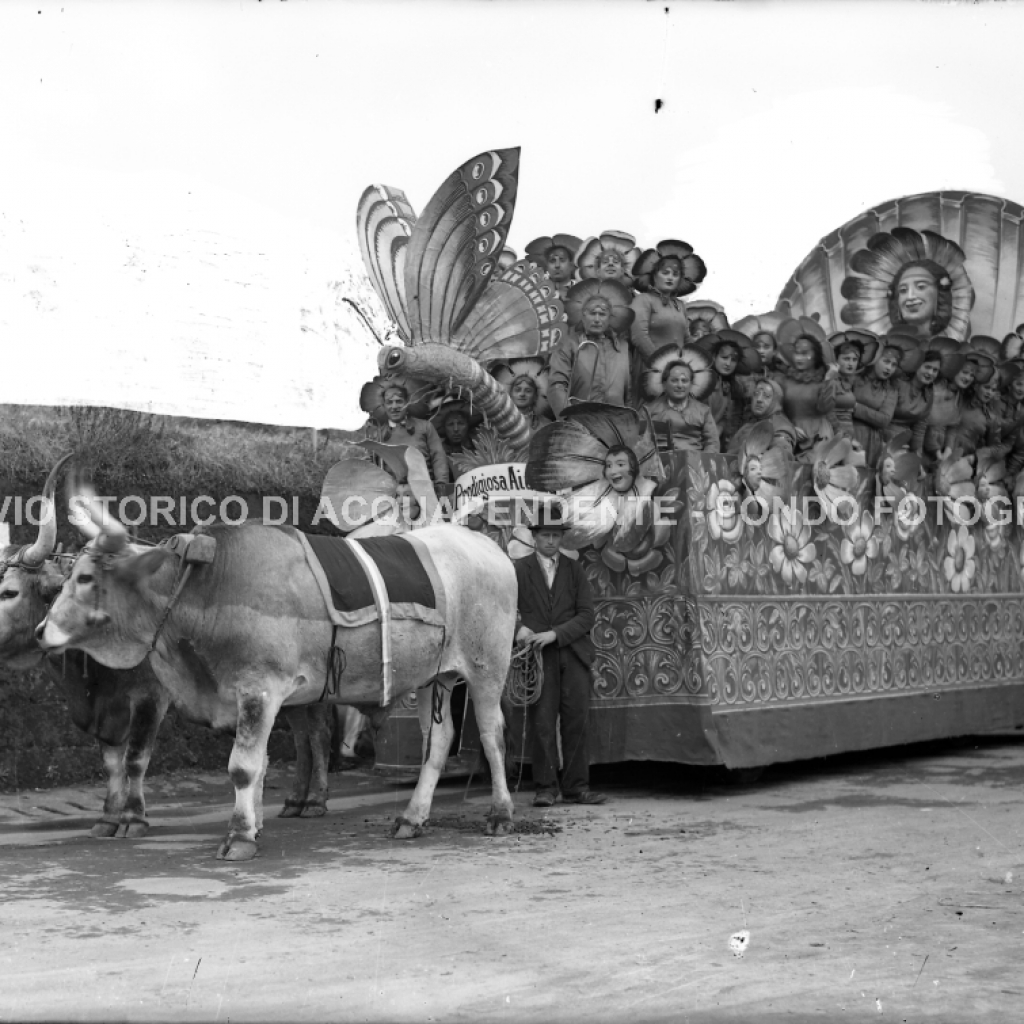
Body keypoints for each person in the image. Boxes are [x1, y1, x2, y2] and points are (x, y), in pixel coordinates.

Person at [514, 502, 605, 808]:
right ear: (534, 537)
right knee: (542, 722)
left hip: (573, 654)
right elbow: (504, 609)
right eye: (545, 535)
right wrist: (520, 630)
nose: (550, 541)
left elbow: (587, 616)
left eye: (555, 535)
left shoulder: (574, 570)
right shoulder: (518, 570)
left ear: (562, 538)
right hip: (538, 658)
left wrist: (556, 634)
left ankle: (577, 787)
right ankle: (545, 788)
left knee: (576, 721)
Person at [548, 282, 635, 415]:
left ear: (609, 318)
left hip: (615, 423)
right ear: (583, 316)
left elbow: (628, 393)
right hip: (580, 422)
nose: (597, 319)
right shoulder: (568, 344)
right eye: (592, 313)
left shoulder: (622, 347)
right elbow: (557, 386)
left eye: (602, 314)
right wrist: (567, 418)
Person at [629, 240, 705, 361]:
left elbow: (686, 339)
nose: (670, 277)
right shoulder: (643, 300)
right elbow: (639, 337)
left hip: (677, 371)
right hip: (650, 367)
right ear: (654, 275)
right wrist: (660, 363)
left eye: (675, 274)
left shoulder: (680, 305)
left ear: (680, 279)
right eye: (665, 272)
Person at [776, 318, 837, 460]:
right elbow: (777, 410)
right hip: (790, 435)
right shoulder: (784, 380)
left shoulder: (823, 381)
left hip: (819, 438)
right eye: (797, 353)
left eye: (804, 353)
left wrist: (829, 381)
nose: (799, 358)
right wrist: (789, 429)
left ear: (815, 355)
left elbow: (825, 409)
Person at [374, 384, 450, 485]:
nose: (394, 406)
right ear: (384, 406)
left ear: (407, 403)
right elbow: (371, 467)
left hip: (426, 491)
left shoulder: (425, 426)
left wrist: (441, 485)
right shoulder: (378, 435)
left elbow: (438, 457)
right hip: (394, 494)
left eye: (399, 401)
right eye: (389, 402)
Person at [643, 360, 719, 453]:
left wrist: (702, 463)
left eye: (684, 381)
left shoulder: (703, 411)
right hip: (659, 462)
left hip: (694, 463)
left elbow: (712, 443)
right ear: (664, 384)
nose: (680, 385)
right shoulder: (648, 410)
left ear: (691, 384)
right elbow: (639, 441)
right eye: (674, 380)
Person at [851, 342, 901, 465]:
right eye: (886, 361)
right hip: (849, 434)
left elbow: (884, 419)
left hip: (873, 442)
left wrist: (855, 407)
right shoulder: (854, 378)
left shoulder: (891, 389)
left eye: (894, 365)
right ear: (874, 358)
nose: (889, 368)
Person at [729, 378, 797, 459]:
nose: (759, 399)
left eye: (766, 396)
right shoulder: (748, 425)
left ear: (776, 401)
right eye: (756, 394)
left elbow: (782, 455)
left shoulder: (781, 426)